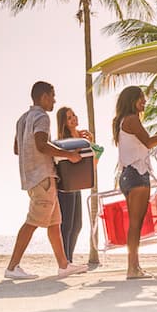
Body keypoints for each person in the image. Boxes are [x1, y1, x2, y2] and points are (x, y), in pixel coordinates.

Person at [5, 81, 89, 279]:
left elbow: (17, 149)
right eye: (52, 95)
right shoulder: (42, 117)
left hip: (32, 177)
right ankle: (12, 267)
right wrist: (68, 155)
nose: (54, 100)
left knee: (54, 224)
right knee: (32, 222)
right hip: (43, 177)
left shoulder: (22, 119)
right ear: (43, 97)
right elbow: (42, 145)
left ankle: (63, 265)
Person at [112, 86, 157, 279]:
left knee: (134, 224)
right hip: (137, 174)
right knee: (135, 224)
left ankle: (134, 267)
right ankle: (132, 268)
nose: (144, 102)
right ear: (132, 101)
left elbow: (146, 144)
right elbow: (148, 142)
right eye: (140, 99)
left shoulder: (122, 121)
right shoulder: (132, 119)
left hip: (128, 175)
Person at [55, 106, 95, 264]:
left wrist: (90, 142)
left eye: (74, 115)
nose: (73, 119)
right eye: (69, 117)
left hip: (77, 184)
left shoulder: (81, 138)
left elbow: (92, 159)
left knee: (77, 225)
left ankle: (68, 259)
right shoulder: (64, 140)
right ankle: (66, 261)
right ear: (64, 122)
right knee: (67, 224)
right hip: (65, 185)